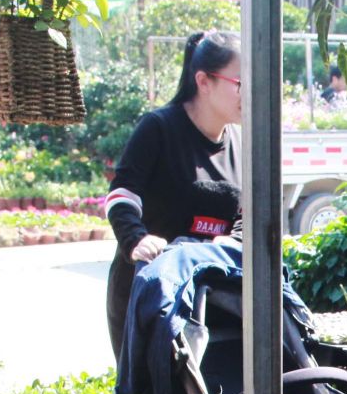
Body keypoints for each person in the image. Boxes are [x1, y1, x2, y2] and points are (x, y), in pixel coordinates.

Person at [102, 32, 245, 365]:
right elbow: (122, 194)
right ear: (203, 81)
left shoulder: (243, 141)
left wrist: (233, 241)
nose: (251, 92)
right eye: (241, 83)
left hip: (213, 302)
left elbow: (246, 214)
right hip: (149, 301)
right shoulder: (158, 128)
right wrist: (136, 239)